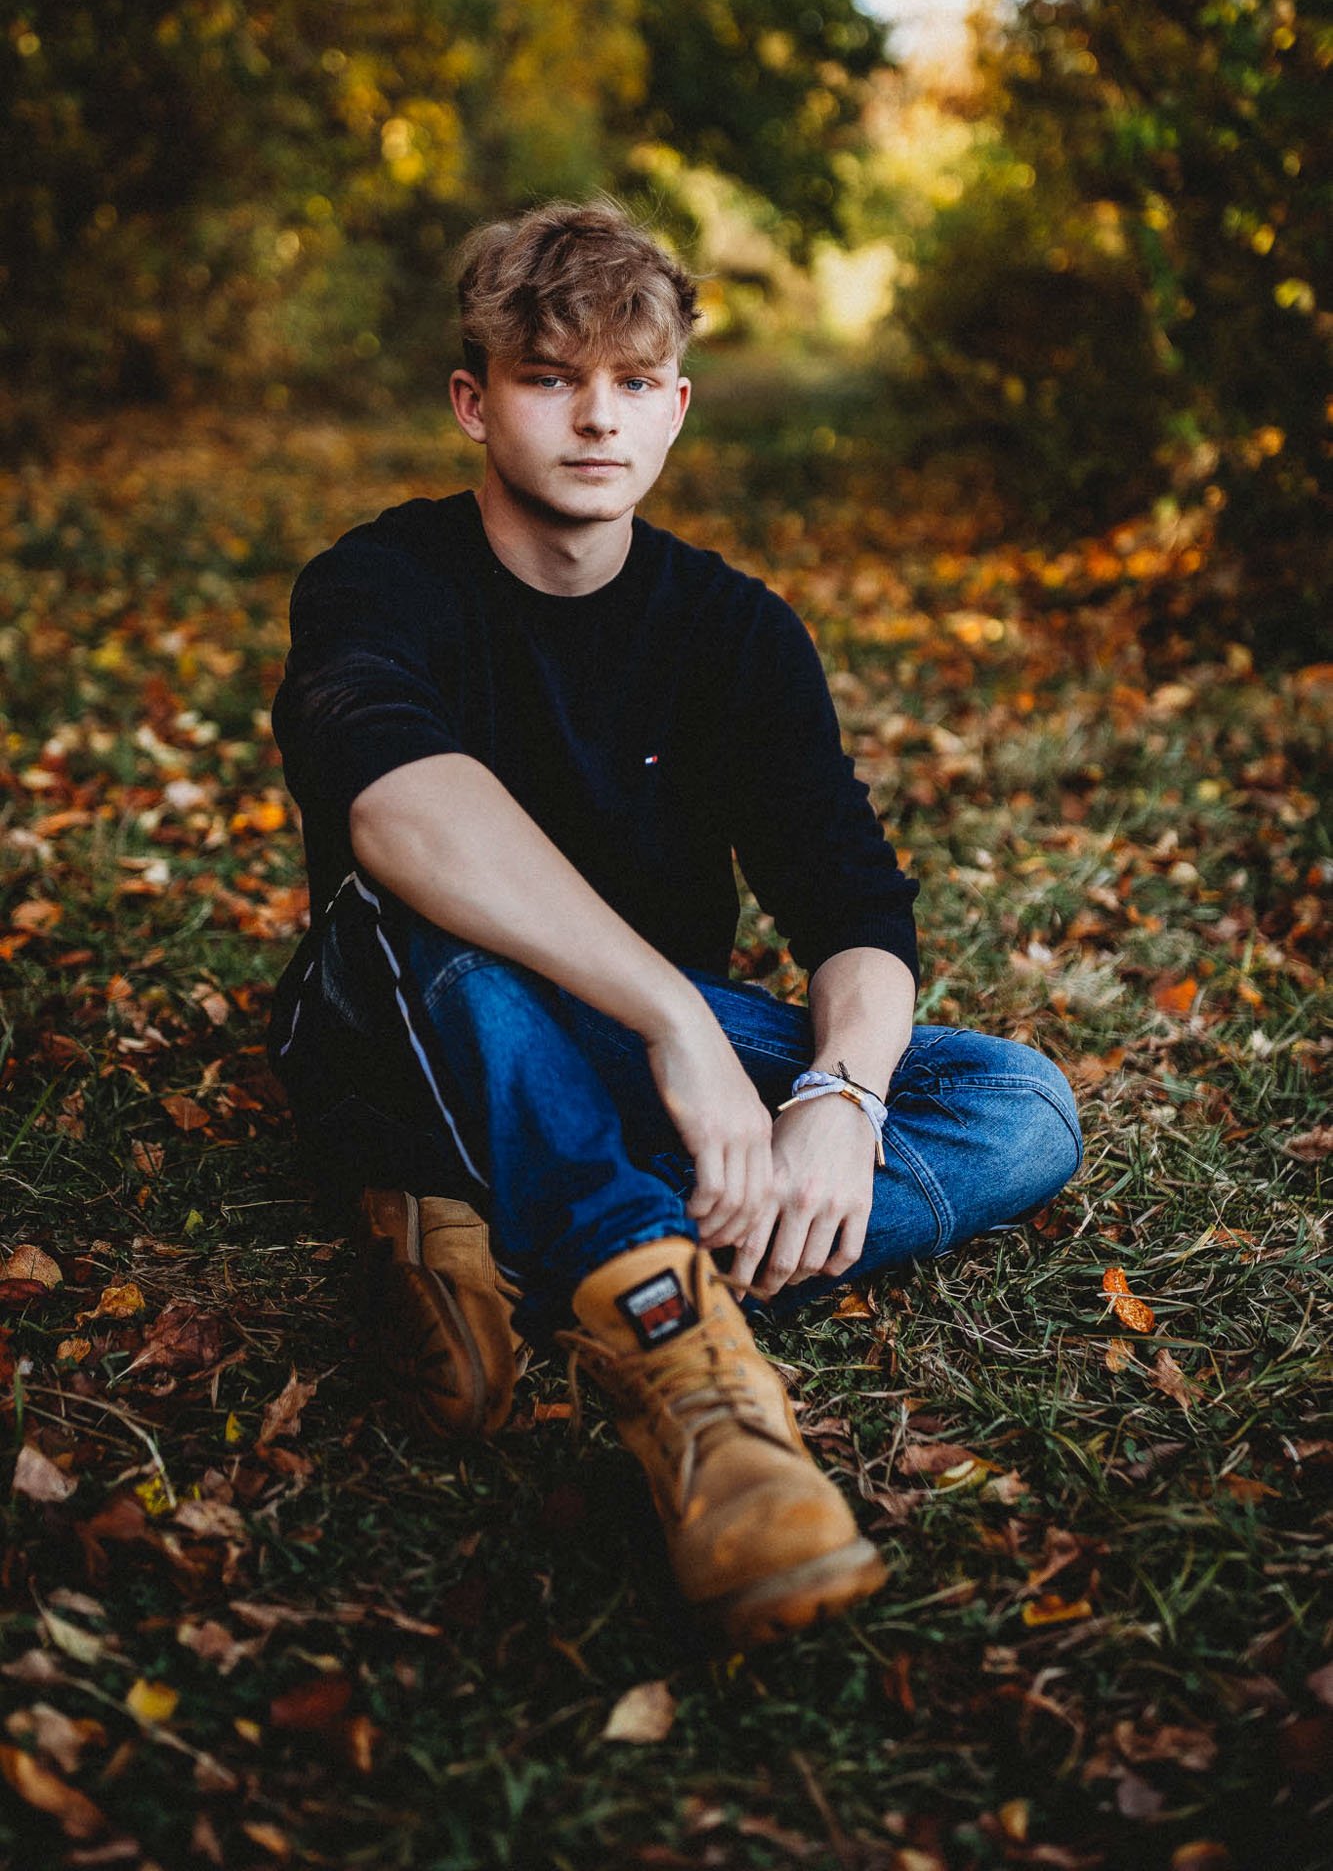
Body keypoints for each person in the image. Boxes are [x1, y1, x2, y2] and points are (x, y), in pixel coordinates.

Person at [267, 199, 1081, 1648]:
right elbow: (394, 815)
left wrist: (835, 1095)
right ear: (473, 399)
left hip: (645, 1048)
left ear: (676, 407)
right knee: (449, 931)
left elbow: (850, 902)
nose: (596, 419)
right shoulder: (379, 580)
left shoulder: (734, 629)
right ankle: (684, 1364)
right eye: (548, 376)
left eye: (633, 382)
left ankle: (510, 1230)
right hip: (410, 1005)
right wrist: (673, 1026)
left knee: (1016, 1102)